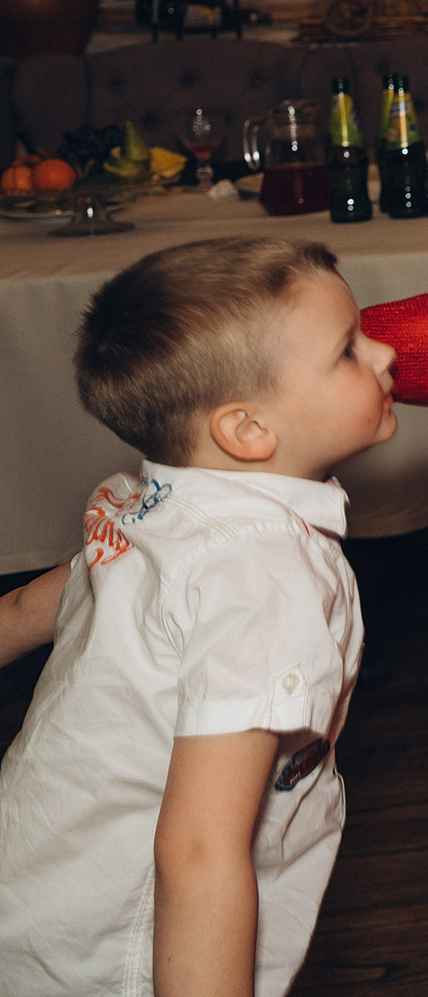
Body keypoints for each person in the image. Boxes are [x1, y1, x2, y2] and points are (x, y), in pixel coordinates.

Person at [0, 237, 397, 997]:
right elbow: (199, 850)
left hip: (36, 878)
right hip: (113, 949)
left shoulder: (156, 502)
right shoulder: (259, 579)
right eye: (348, 350)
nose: (386, 354)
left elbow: (23, 608)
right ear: (247, 429)